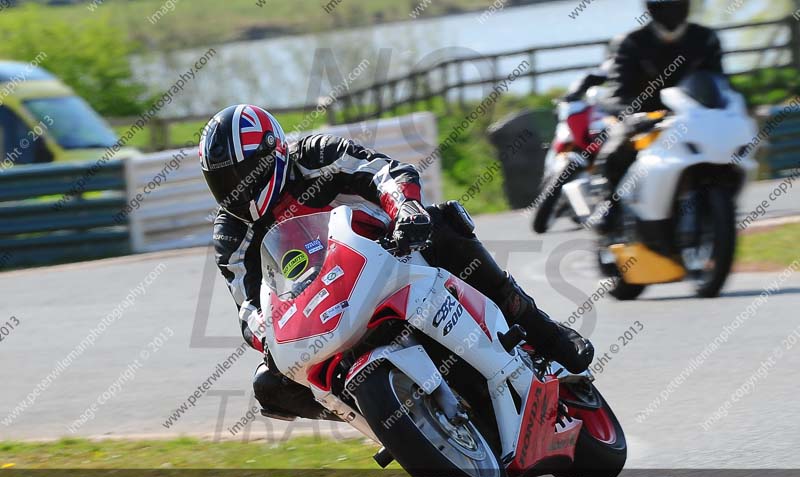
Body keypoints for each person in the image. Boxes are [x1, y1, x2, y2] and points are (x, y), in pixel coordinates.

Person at [200, 104, 594, 421]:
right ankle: (378, 417)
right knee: (269, 386)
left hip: (390, 254)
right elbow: (248, 304)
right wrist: (265, 335)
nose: (237, 188)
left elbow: (385, 171)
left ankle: (543, 332)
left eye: (244, 173)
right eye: (223, 180)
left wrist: (406, 210)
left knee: (445, 223)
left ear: (274, 153)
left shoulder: (315, 156)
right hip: (321, 306)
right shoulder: (231, 232)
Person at [594, 0, 724, 233]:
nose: (674, 10)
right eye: (667, 5)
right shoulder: (631, 43)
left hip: (694, 118)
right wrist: (632, 116)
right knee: (616, 151)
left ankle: (715, 204)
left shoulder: (705, 39)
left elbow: (720, 84)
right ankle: (610, 206)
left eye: (679, 3)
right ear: (652, 8)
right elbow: (616, 93)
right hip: (644, 119)